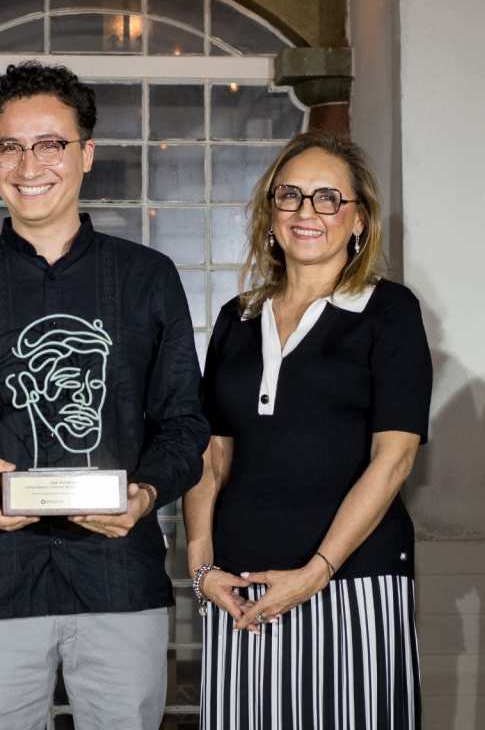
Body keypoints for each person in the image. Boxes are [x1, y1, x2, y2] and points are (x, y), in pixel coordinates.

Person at [0, 61, 209, 729]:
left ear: (86, 152)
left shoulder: (147, 279)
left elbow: (184, 425)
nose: (29, 164)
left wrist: (144, 493)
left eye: (50, 143)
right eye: (9, 146)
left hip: (121, 583)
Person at [184, 131, 432, 729]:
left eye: (327, 198)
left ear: (358, 221)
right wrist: (201, 567)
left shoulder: (389, 312)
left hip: (355, 581)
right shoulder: (236, 318)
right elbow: (210, 455)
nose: (306, 212)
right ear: (270, 215)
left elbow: (393, 461)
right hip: (239, 586)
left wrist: (316, 572)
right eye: (290, 195)